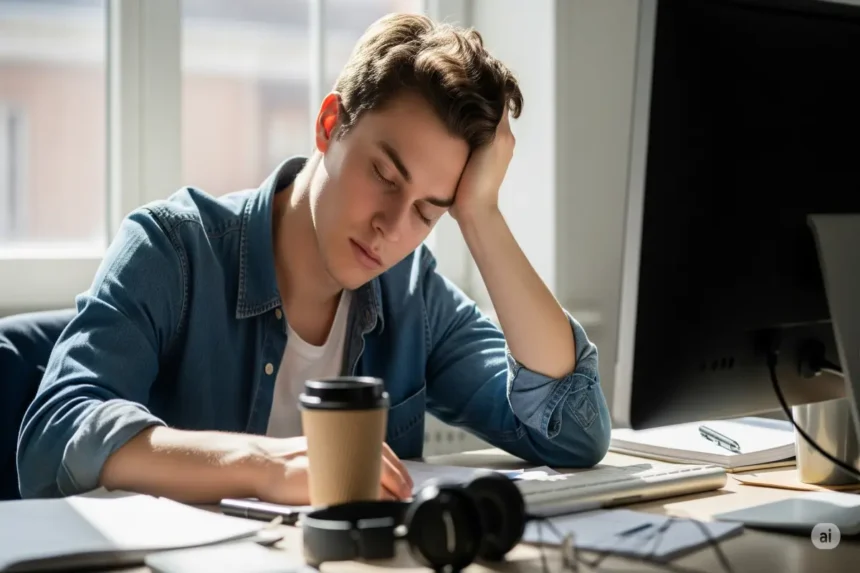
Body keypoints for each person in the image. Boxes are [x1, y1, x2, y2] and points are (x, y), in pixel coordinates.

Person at [17, 13, 611, 504]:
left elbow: (573, 430)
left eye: (428, 212)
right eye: (383, 173)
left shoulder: (412, 294)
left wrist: (481, 217)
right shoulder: (172, 251)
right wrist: (262, 465)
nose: (391, 227)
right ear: (330, 124)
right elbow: (54, 436)